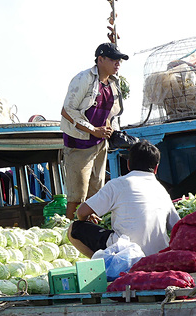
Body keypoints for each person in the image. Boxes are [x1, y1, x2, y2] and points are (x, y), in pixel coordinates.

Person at [68, 140, 179, 258]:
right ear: (156, 168)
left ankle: (106, 265)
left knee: (74, 229)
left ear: (128, 164)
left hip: (125, 255)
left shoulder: (118, 184)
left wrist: (86, 217)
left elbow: (81, 212)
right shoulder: (161, 190)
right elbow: (177, 227)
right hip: (159, 255)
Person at [60, 42, 128, 219]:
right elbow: (67, 110)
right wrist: (93, 130)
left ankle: (87, 232)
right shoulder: (84, 78)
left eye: (119, 60)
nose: (117, 63)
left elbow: (107, 110)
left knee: (95, 195)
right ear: (100, 59)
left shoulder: (113, 83)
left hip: (99, 143)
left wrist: (107, 128)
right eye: (113, 59)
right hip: (79, 144)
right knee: (76, 197)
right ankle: (69, 232)